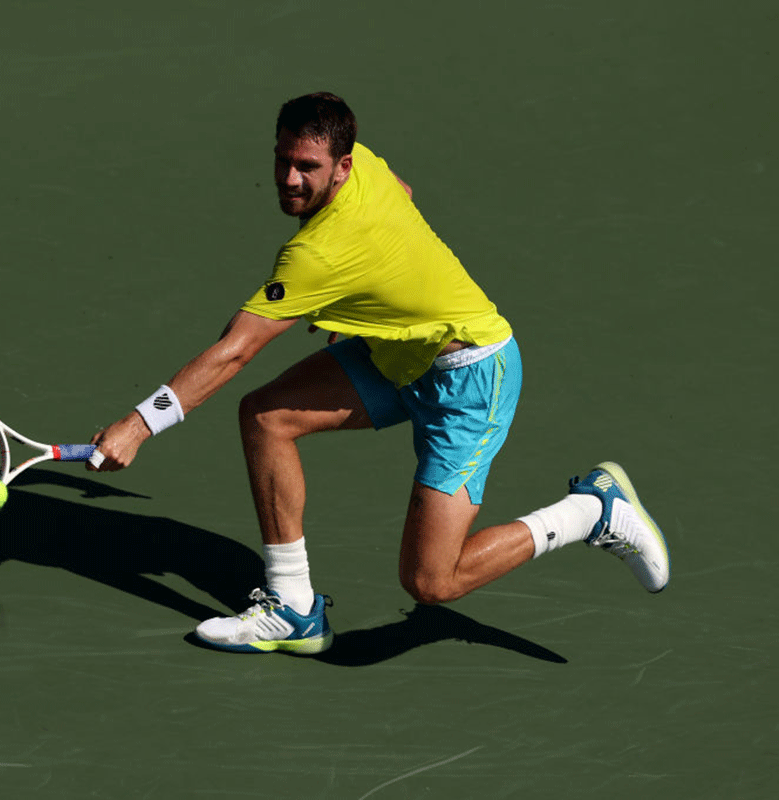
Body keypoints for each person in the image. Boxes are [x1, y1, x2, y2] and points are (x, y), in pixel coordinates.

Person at [87, 92, 669, 655]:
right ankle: (293, 610)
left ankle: (592, 511)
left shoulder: (317, 255)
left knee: (432, 583)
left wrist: (138, 426)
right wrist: (369, 300)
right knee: (266, 417)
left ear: (341, 166)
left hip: (471, 379)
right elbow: (404, 193)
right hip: (399, 353)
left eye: (307, 167)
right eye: (282, 159)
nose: (290, 179)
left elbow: (236, 351)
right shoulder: (363, 161)